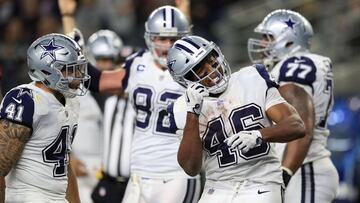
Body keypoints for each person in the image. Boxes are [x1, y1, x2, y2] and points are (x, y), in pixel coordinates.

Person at [166, 35, 305, 203]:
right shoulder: (183, 107)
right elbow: (191, 167)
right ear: (187, 80)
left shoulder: (253, 78)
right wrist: (193, 114)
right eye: (202, 72)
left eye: (212, 61)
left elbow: (296, 125)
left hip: (262, 181)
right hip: (217, 187)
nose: (214, 71)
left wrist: (259, 135)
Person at [247, 9, 339, 202]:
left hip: (304, 169)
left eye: (268, 37)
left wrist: (285, 172)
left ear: (289, 41)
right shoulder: (294, 65)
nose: (263, 43)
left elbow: (300, 122)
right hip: (299, 169)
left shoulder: (295, 64)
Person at [0, 33, 90, 203]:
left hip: (56, 197)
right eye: (71, 69)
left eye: (78, 68)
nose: (78, 75)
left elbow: (64, 162)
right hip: (26, 196)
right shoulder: (26, 100)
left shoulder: (71, 102)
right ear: (47, 69)